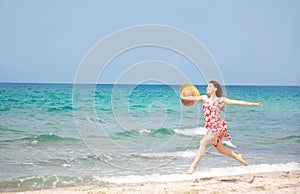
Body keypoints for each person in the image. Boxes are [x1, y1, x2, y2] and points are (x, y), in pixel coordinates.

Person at [180, 80, 262, 174]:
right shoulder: (204, 98)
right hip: (210, 128)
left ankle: (193, 166)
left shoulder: (221, 100)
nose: (208, 88)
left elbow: (237, 102)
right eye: (207, 86)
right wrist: (183, 96)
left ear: (215, 89)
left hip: (218, 127)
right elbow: (192, 98)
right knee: (221, 149)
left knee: (202, 142)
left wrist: (254, 104)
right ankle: (238, 157)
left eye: (210, 86)